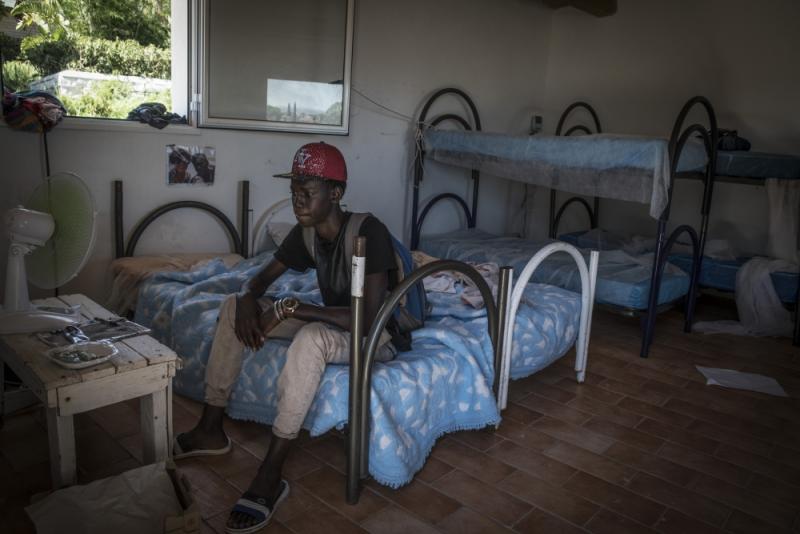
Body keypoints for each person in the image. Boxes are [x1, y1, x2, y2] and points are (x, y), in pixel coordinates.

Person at [173, 142, 406, 534]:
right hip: (336, 322)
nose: (297, 200)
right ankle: (211, 427)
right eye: (294, 190)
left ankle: (271, 470)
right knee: (231, 307)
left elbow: (369, 320)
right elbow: (261, 279)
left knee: (312, 336)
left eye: (307, 191)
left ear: (335, 193)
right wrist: (248, 298)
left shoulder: (370, 232)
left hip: (373, 335)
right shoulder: (307, 233)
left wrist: (298, 308)